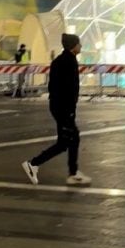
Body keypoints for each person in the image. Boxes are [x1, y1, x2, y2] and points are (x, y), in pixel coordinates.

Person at [22, 33, 90, 186]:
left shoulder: (62, 60)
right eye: (78, 44)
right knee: (66, 141)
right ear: (73, 46)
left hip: (59, 106)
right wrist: (69, 110)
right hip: (63, 108)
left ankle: (73, 172)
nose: (81, 46)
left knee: (70, 139)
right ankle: (34, 164)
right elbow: (67, 88)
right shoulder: (67, 62)